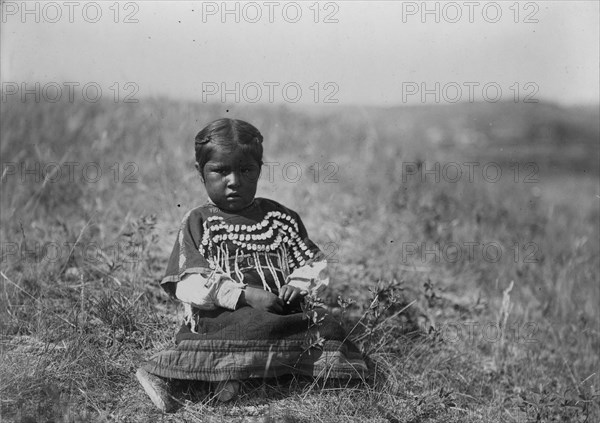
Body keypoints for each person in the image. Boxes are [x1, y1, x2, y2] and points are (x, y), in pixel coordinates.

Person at [136, 118, 367, 412]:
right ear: (200, 173)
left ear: (260, 169)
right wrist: (245, 296)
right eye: (220, 171)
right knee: (250, 324)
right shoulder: (199, 222)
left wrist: (296, 285)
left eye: (246, 170)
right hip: (224, 315)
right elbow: (189, 283)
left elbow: (312, 263)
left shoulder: (280, 218)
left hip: (280, 311)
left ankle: (244, 372)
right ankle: (169, 374)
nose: (234, 181)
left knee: (326, 325)